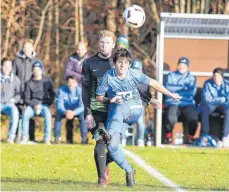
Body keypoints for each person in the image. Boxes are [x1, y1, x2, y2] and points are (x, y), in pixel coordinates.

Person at [96, 48, 181, 187]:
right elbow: (99, 97)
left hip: (134, 108)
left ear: (129, 65)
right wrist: (109, 100)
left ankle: (109, 134)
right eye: (119, 62)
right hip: (117, 114)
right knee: (112, 147)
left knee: (119, 108)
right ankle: (129, 171)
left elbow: (154, 83)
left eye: (125, 62)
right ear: (114, 63)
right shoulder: (108, 76)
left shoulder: (134, 74)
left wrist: (170, 95)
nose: (122, 65)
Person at [82, 30, 116, 186]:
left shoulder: (118, 63)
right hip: (96, 112)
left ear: (113, 45)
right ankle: (102, 177)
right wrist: (88, 113)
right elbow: (85, 89)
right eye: (102, 42)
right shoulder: (89, 63)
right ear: (98, 43)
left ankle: (105, 164)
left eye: (107, 42)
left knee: (113, 145)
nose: (104, 45)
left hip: (114, 112)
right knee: (101, 140)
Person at [20, 60, 55, 145]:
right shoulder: (28, 83)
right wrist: (34, 105)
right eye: (34, 70)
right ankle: (24, 137)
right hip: (32, 106)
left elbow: (53, 94)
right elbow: (26, 98)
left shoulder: (47, 81)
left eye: (38, 69)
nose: (36, 72)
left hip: (44, 105)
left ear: (41, 70)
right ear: (32, 71)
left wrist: (47, 104)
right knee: (25, 114)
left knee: (48, 115)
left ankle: (47, 139)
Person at [164, 57, 198, 144]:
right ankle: (168, 136)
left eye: (184, 65)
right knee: (171, 119)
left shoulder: (191, 78)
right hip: (173, 102)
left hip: (188, 103)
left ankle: (190, 137)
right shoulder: (171, 75)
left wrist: (175, 90)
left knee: (194, 119)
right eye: (180, 65)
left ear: (187, 67)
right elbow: (167, 88)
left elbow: (191, 92)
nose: (181, 67)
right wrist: (183, 89)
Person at [13, 39, 41, 141]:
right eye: (24, 47)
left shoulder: (36, 61)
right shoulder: (16, 60)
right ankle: (16, 136)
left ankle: (31, 137)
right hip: (19, 92)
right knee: (18, 113)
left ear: (33, 48)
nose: (26, 49)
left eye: (29, 47)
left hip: (31, 93)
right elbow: (13, 76)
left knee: (30, 115)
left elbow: (40, 78)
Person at [130, 60, 160, 146]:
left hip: (140, 106)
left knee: (140, 122)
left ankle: (140, 140)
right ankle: (121, 139)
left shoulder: (145, 81)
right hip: (127, 106)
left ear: (141, 70)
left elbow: (147, 96)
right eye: (134, 69)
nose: (135, 71)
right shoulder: (126, 79)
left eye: (137, 69)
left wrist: (149, 101)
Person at [54, 75, 87, 144]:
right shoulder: (61, 90)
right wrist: (65, 112)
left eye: (72, 82)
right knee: (57, 114)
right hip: (65, 111)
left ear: (76, 83)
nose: (70, 84)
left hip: (77, 111)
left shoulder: (80, 91)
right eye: (69, 82)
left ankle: (84, 138)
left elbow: (83, 106)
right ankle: (58, 138)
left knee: (83, 115)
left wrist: (73, 112)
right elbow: (59, 105)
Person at [201, 67, 229, 148]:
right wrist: (221, 99)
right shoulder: (207, 83)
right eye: (215, 76)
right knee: (205, 109)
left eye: (218, 76)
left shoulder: (227, 84)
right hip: (211, 105)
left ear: (222, 77)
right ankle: (205, 136)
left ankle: (225, 136)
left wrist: (216, 100)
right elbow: (206, 99)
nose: (216, 78)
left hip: (223, 106)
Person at [0, 58, 21, 144]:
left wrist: (14, 100)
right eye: (5, 65)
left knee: (15, 111)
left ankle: (11, 137)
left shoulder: (15, 79)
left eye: (9, 66)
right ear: (1, 66)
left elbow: (19, 94)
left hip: (9, 104)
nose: (7, 68)